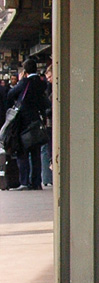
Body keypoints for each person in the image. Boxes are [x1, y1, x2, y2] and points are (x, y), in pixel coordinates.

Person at [7, 60, 50, 191]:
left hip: (24, 122)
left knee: (22, 152)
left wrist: (20, 81)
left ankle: (24, 181)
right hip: (37, 121)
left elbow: (10, 95)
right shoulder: (42, 83)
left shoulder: (25, 82)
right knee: (36, 153)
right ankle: (36, 182)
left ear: (25, 71)